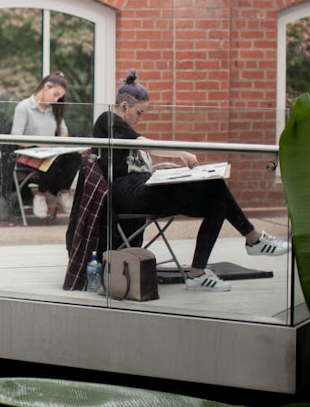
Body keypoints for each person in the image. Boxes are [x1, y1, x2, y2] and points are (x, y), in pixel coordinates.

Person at [93, 70, 290, 292]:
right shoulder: (108, 119)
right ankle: (253, 238)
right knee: (212, 184)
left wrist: (157, 168)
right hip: (127, 195)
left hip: (141, 187)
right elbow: (145, 147)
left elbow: (128, 166)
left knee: (218, 203)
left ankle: (198, 273)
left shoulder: (122, 131)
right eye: (139, 113)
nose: (140, 119)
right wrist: (180, 153)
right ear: (125, 107)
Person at [10, 72, 80, 218]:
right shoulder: (24, 107)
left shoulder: (53, 110)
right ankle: (40, 195)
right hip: (29, 155)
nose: (55, 100)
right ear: (46, 86)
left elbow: (64, 132)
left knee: (75, 157)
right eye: (55, 94)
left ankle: (64, 192)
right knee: (52, 161)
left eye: (59, 98)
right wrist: (39, 143)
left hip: (50, 153)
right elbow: (16, 137)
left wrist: (58, 143)